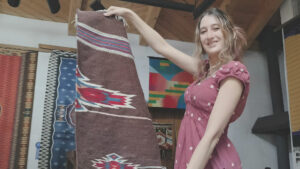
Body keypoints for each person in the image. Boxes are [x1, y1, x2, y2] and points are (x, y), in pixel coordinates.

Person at [104, 7, 250, 169]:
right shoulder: (204, 70)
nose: (209, 36)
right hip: (190, 155)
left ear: (227, 33)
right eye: (203, 31)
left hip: (212, 160)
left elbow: (213, 135)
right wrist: (130, 14)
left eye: (216, 29)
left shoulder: (233, 71)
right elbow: (162, 47)